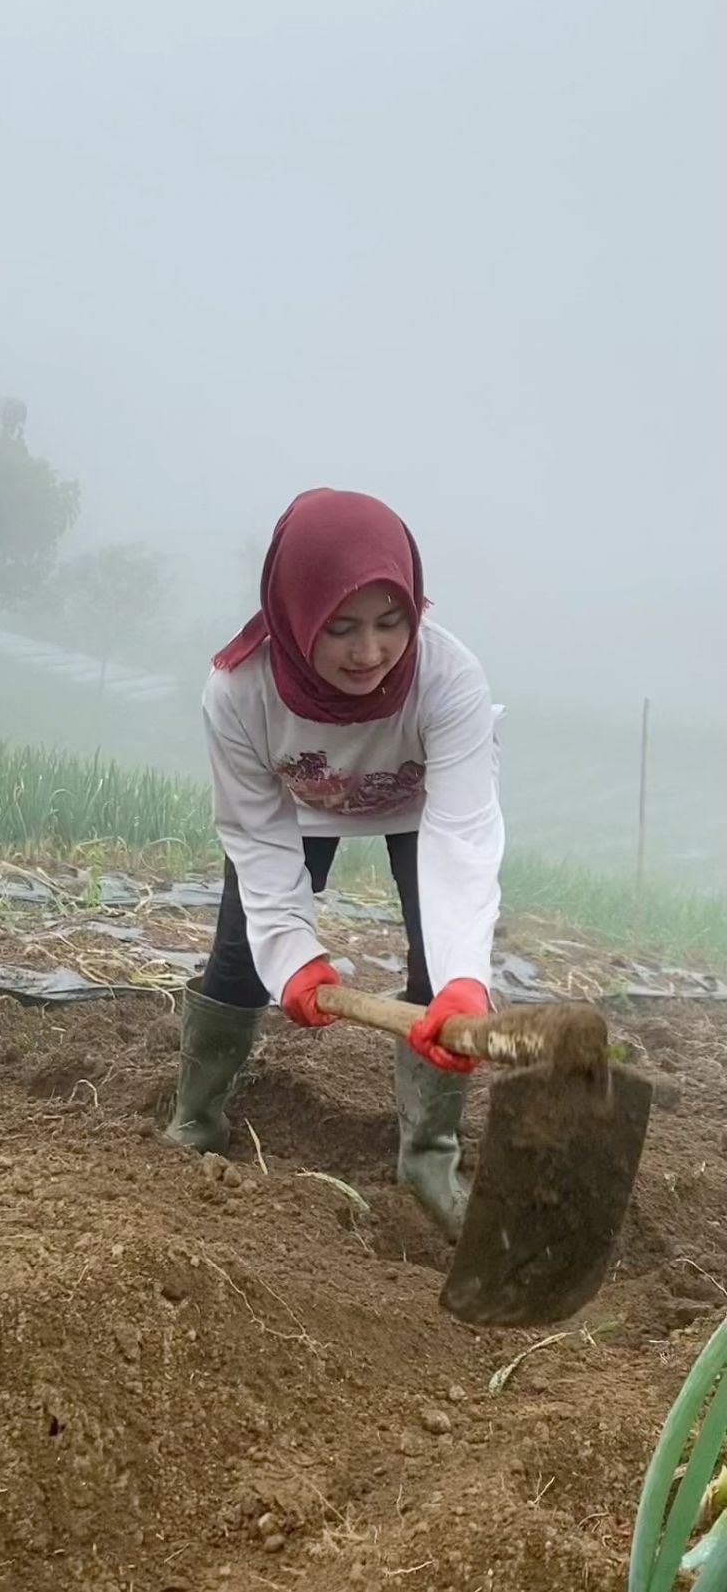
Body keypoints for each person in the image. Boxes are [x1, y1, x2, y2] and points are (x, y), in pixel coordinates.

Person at [165, 487, 504, 1240]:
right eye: (341, 627)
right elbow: (254, 833)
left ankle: (428, 1159)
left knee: (435, 963)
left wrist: (461, 981)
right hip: (303, 799)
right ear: (295, 614)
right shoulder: (238, 690)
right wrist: (292, 957)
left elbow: (462, 837)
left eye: (392, 622)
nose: (371, 651)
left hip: (419, 805)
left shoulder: (448, 680)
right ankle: (196, 1120)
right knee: (238, 956)